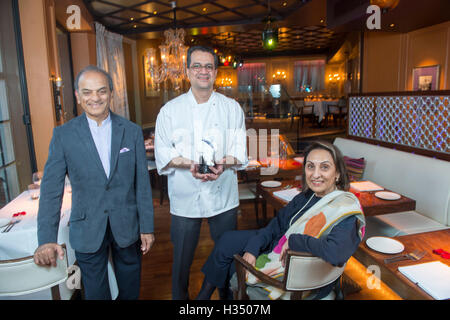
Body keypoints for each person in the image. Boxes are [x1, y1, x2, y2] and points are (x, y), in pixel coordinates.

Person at [33, 65, 155, 300]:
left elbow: (141, 183)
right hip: (87, 227)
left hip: (127, 225)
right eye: (87, 92)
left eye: (101, 91)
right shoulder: (63, 135)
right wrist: (47, 239)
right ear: (78, 96)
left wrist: (147, 227)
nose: (95, 98)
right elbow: (50, 191)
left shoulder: (130, 131)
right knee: (96, 294)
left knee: (130, 291)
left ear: (111, 93)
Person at [196, 141, 366, 300]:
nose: (316, 174)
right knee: (227, 240)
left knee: (231, 266)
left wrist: (294, 240)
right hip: (279, 244)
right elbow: (276, 225)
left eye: (325, 167)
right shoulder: (306, 196)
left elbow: (335, 253)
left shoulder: (343, 209)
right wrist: (253, 248)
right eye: (310, 166)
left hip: (303, 269)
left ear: (337, 173)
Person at [154, 45, 247, 300]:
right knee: (182, 261)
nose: (203, 71)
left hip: (223, 196)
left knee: (226, 256)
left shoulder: (232, 108)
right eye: (197, 66)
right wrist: (190, 165)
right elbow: (163, 152)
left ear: (216, 72)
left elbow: (240, 151)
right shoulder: (170, 111)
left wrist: (222, 164)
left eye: (208, 66)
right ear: (187, 71)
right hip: (185, 198)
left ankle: (227, 299)